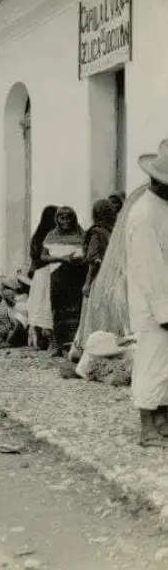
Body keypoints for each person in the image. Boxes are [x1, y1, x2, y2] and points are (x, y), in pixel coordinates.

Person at [126, 140, 168, 448]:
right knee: (151, 360)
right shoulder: (144, 215)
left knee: (165, 362)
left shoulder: (161, 208)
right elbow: (150, 267)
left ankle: (162, 419)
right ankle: (146, 427)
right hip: (153, 300)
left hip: (164, 296)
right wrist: (164, 310)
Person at [70, 199, 119, 360]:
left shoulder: (96, 233)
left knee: (93, 314)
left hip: (99, 279)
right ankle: (108, 349)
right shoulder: (115, 231)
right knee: (108, 315)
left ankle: (90, 351)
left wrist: (88, 282)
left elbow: (94, 260)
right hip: (114, 280)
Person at [35, 206, 85, 356]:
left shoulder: (81, 235)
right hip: (58, 277)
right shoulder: (51, 235)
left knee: (76, 311)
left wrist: (79, 260)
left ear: (74, 219)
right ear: (57, 219)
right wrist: (61, 258)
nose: (65, 221)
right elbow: (43, 256)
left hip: (76, 277)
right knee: (58, 311)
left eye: (68, 218)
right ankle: (58, 345)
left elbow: (87, 252)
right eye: (62, 218)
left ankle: (74, 346)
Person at [26, 205, 60, 350]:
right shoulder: (53, 236)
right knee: (48, 306)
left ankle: (36, 340)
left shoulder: (36, 237)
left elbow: (34, 259)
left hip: (38, 275)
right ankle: (52, 342)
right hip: (49, 274)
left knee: (37, 306)